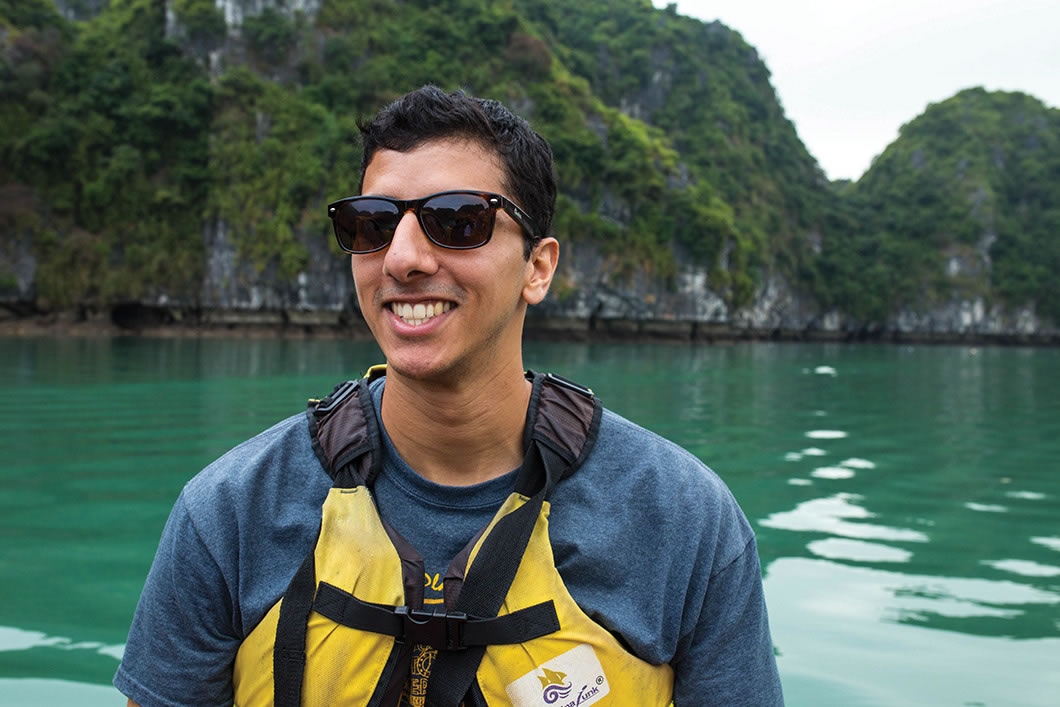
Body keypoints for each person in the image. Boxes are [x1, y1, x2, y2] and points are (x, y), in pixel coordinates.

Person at [114, 85, 784, 706]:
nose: (402, 258)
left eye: (457, 220)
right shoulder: (230, 513)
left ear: (538, 266)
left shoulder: (685, 522)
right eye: (371, 225)